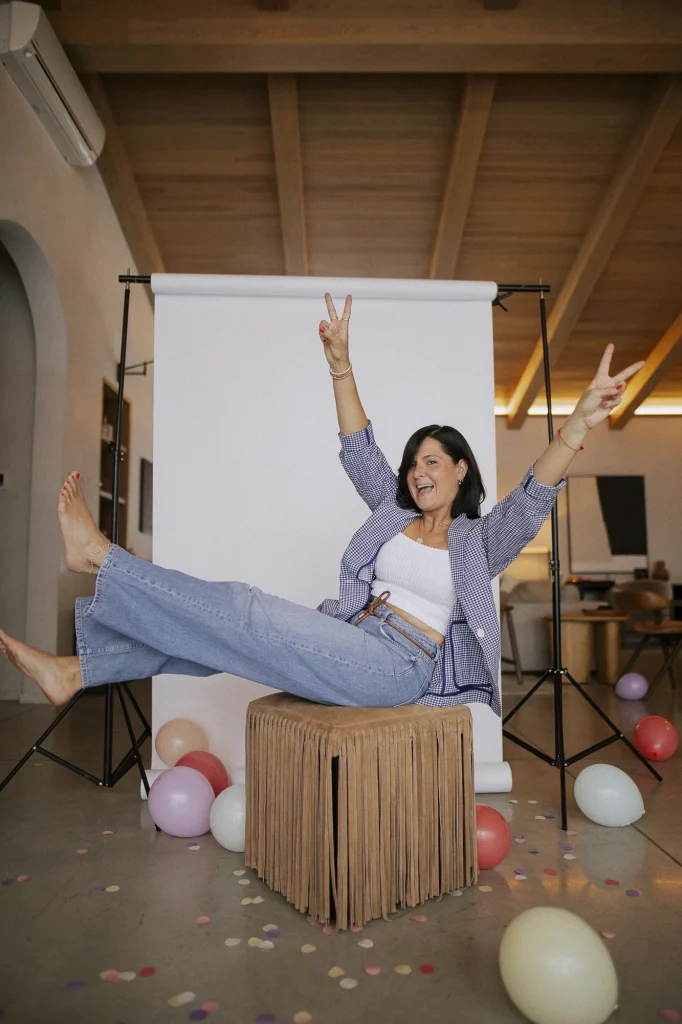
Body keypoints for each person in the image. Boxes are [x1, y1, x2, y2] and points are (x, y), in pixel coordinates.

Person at [0, 294, 643, 715]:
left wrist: (582, 419)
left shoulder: (480, 541)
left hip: (399, 665)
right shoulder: (394, 514)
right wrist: (340, 363)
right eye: (413, 462)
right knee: (218, 641)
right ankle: (76, 672)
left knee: (245, 608)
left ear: (460, 470)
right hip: (355, 635)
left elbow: (532, 496)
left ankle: (102, 558)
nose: (418, 472)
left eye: (432, 461)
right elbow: (360, 449)